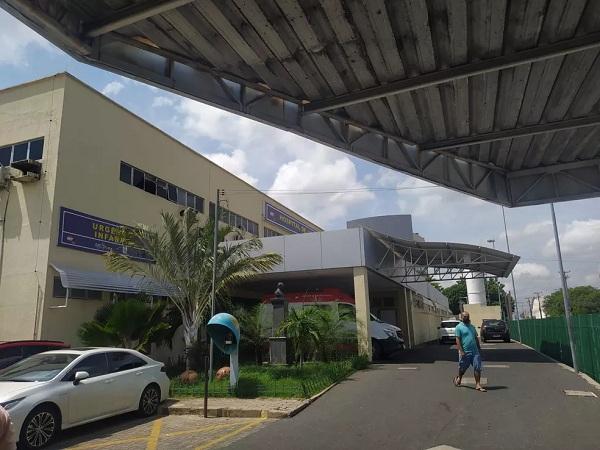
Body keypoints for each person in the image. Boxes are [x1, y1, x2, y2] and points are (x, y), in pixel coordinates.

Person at [453, 312, 486, 392]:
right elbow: (457, 340)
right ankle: (459, 378)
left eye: (467, 316)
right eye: (464, 316)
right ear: (461, 317)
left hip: (475, 352)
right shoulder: (459, 327)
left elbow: (475, 338)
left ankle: (478, 384)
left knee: (477, 367)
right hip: (465, 351)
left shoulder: (472, 327)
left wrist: (479, 348)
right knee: (462, 368)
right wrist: (461, 351)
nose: (466, 318)